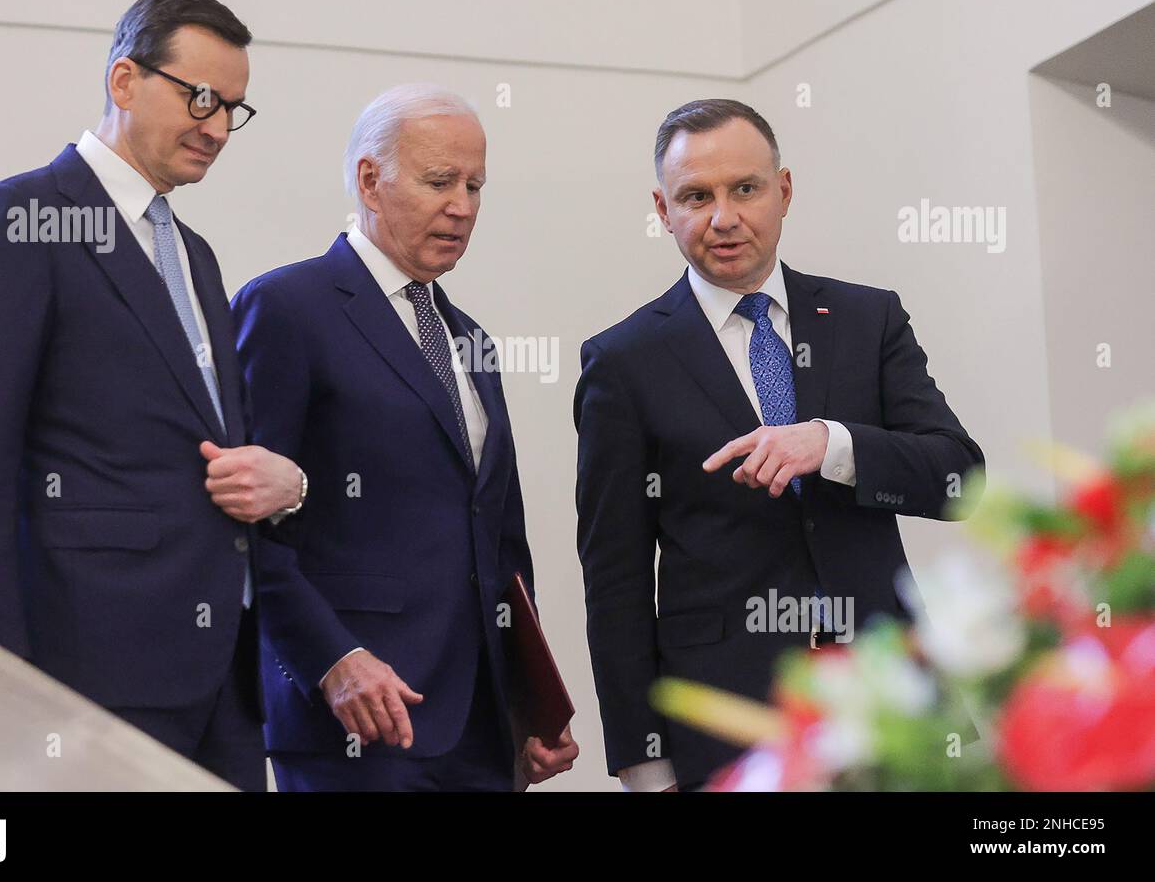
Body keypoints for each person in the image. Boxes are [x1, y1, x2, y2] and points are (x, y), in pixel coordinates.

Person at [0, 0, 305, 791]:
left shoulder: (196, 252)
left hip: (224, 679)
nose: (215, 126)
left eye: (233, 108)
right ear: (124, 80)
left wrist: (279, 482)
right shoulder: (24, 217)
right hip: (87, 672)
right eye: (200, 96)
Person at [574, 98, 984, 792]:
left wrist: (830, 444)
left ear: (783, 190)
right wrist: (646, 764)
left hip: (896, 700)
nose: (723, 216)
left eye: (746, 189)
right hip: (731, 723)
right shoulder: (623, 361)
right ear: (662, 208)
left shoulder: (866, 317)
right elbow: (613, 580)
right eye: (695, 196)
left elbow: (959, 478)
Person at [232, 85, 578, 791]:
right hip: (355, 722)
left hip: (480, 729)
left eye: (475, 185)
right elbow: (246, 528)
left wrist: (527, 698)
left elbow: (500, 537)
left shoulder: (470, 339)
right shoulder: (287, 309)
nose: (463, 205)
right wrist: (330, 661)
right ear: (370, 179)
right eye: (439, 181)